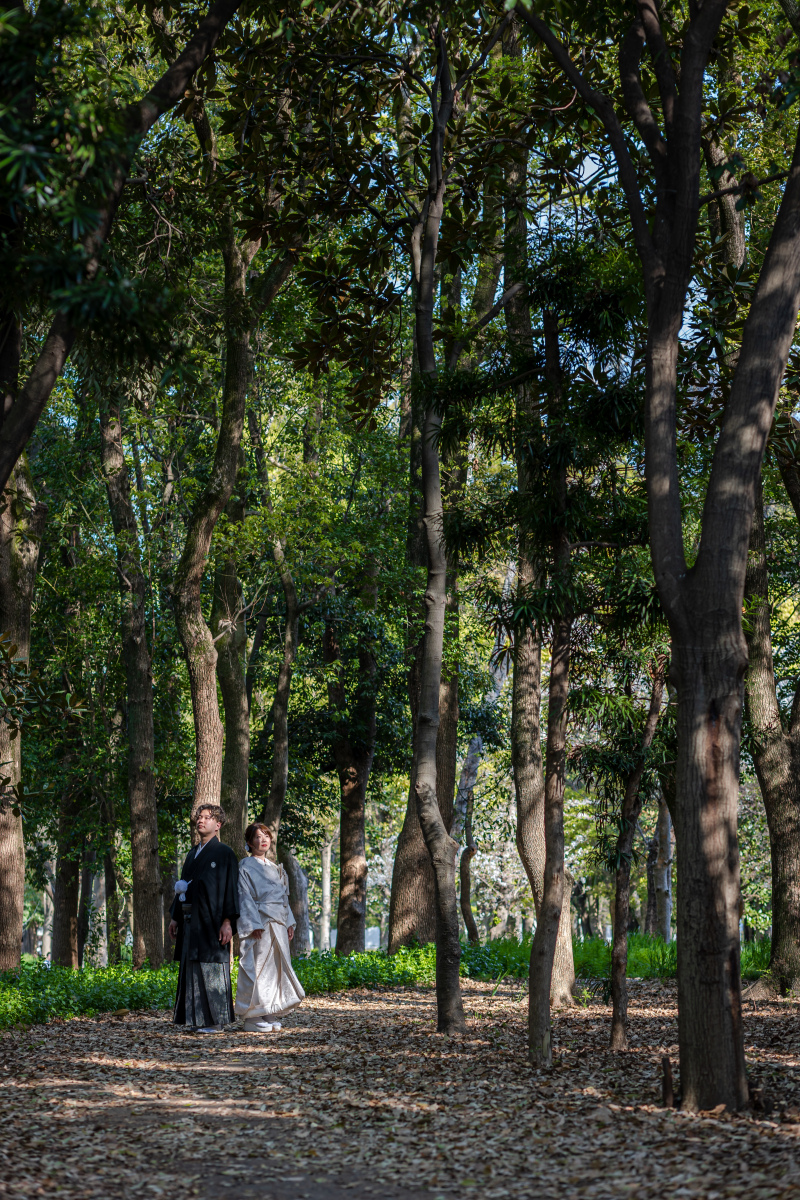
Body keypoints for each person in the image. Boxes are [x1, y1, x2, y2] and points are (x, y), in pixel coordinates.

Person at [169, 804, 240, 1034]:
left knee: (211, 968)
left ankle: (215, 1022)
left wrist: (228, 921)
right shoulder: (192, 853)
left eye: (207, 818)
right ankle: (196, 1019)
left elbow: (231, 889)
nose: (201, 821)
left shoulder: (225, 853)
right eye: (199, 817)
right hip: (191, 920)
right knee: (192, 968)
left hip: (213, 921)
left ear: (218, 825)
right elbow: (183, 889)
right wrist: (175, 918)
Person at [236, 822, 305, 1033]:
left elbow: (284, 898)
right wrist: (252, 924)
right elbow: (244, 897)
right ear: (249, 842)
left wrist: (290, 922)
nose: (262, 840)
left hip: (279, 922)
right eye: (257, 837)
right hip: (260, 922)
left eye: (265, 835)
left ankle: (269, 1010)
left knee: (275, 968)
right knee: (258, 967)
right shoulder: (245, 866)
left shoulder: (275, 868)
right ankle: (252, 1015)